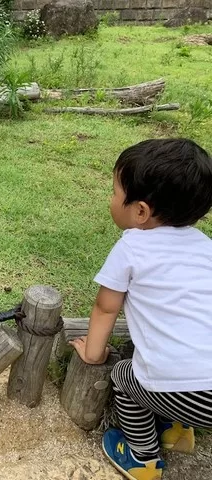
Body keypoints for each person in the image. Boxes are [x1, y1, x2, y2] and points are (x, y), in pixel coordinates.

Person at [69, 138, 212, 480]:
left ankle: (143, 457)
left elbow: (105, 308)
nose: (111, 199)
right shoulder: (205, 247)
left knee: (124, 376)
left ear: (141, 211)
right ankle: (177, 433)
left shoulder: (132, 247)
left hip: (187, 391)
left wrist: (93, 352)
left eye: (115, 192)